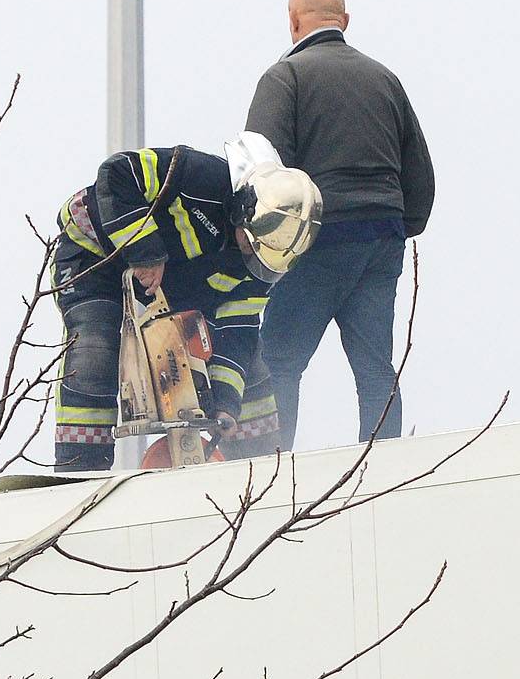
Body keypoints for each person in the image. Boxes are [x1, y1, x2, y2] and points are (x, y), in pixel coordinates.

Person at [50, 139, 321, 472]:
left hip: (177, 280)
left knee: (251, 368)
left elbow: (237, 332)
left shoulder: (260, 265)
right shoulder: (198, 178)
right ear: (242, 211)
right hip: (95, 253)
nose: (252, 261)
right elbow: (115, 174)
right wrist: (145, 252)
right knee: (94, 352)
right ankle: (79, 471)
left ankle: (260, 472)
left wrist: (224, 403)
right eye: (251, 246)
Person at [246, 0, 434, 445]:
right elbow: (420, 173)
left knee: (280, 362)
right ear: (344, 21)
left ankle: (272, 465)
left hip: (316, 243)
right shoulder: (384, 78)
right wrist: (401, 226)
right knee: (375, 366)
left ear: (293, 22)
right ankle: (380, 460)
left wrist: (256, 248)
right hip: (382, 238)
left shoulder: (284, 78)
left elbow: (264, 173)